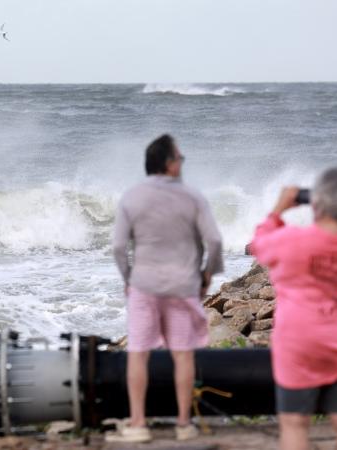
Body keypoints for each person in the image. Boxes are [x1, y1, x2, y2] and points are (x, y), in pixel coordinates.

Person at [250, 168, 337, 450]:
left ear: (318, 203)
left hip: (300, 345)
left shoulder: (292, 240)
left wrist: (278, 210)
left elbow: (259, 245)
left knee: (294, 423)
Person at [109, 134, 224, 443]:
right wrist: (207, 276)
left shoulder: (132, 197)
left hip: (143, 285)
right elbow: (213, 241)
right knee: (183, 355)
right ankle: (184, 424)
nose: (182, 164)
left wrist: (128, 278)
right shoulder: (192, 197)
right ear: (169, 164)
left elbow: (119, 247)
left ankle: (138, 424)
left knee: (138, 353)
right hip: (182, 285)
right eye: (180, 158)